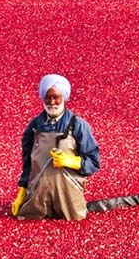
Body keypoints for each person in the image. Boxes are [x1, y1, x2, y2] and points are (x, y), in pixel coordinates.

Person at [11, 74, 100, 220]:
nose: (52, 102)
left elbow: (93, 162)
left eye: (56, 97)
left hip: (69, 195)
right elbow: (28, 164)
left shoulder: (78, 125)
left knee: (74, 217)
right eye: (48, 97)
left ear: (63, 98)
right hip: (38, 196)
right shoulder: (34, 127)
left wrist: (71, 161)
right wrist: (22, 191)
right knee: (29, 215)